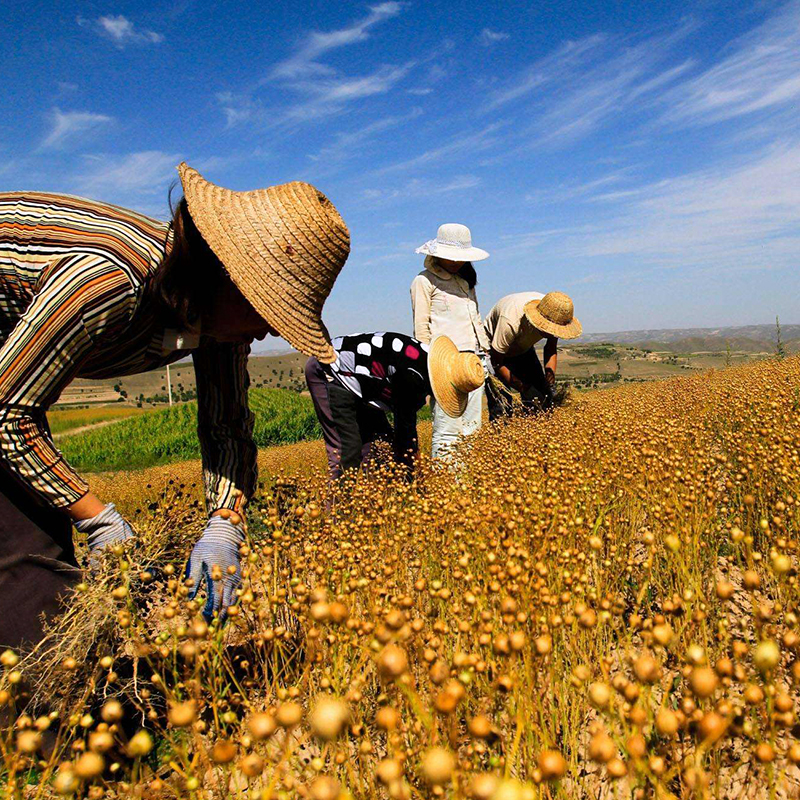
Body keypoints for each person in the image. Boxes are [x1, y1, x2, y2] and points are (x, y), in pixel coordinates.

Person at [0, 163, 350, 646]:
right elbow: (7, 413)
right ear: (227, 277)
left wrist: (225, 524)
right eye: (267, 310)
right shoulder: (108, 283)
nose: (270, 330)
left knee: (46, 546)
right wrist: (98, 518)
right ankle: (38, 706)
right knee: (31, 575)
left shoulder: (221, 327)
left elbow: (227, 426)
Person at [305, 332, 484, 479]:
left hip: (364, 382)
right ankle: (335, 516)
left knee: (380, 444)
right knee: (347, 452)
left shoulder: (425, 365)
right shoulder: (411, 376)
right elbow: (405, 432)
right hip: (330, 368)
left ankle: (375, 500)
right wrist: (415, 476)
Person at [411, 223, 490, 459]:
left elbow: (475, 318)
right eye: (451, 257)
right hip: (444, 362)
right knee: (447, 429)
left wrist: (484, 353)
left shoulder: (466, 282)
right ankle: (445, 488)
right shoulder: (423, 281)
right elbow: (421, 328)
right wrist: (428, 368)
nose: (456, 262)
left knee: (472, 428)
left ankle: (464, 485)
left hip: (473, 362)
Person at [483, 291, 581, 420]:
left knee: (542, 400)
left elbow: (550, 348)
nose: (552, 333)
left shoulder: (556, 312)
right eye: (550, 329)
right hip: (493, 351)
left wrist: (549, 379)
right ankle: (500, 433)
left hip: (522, 348)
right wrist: (523, 387)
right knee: (502, 406)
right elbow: (497, 362)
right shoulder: (511, 321)